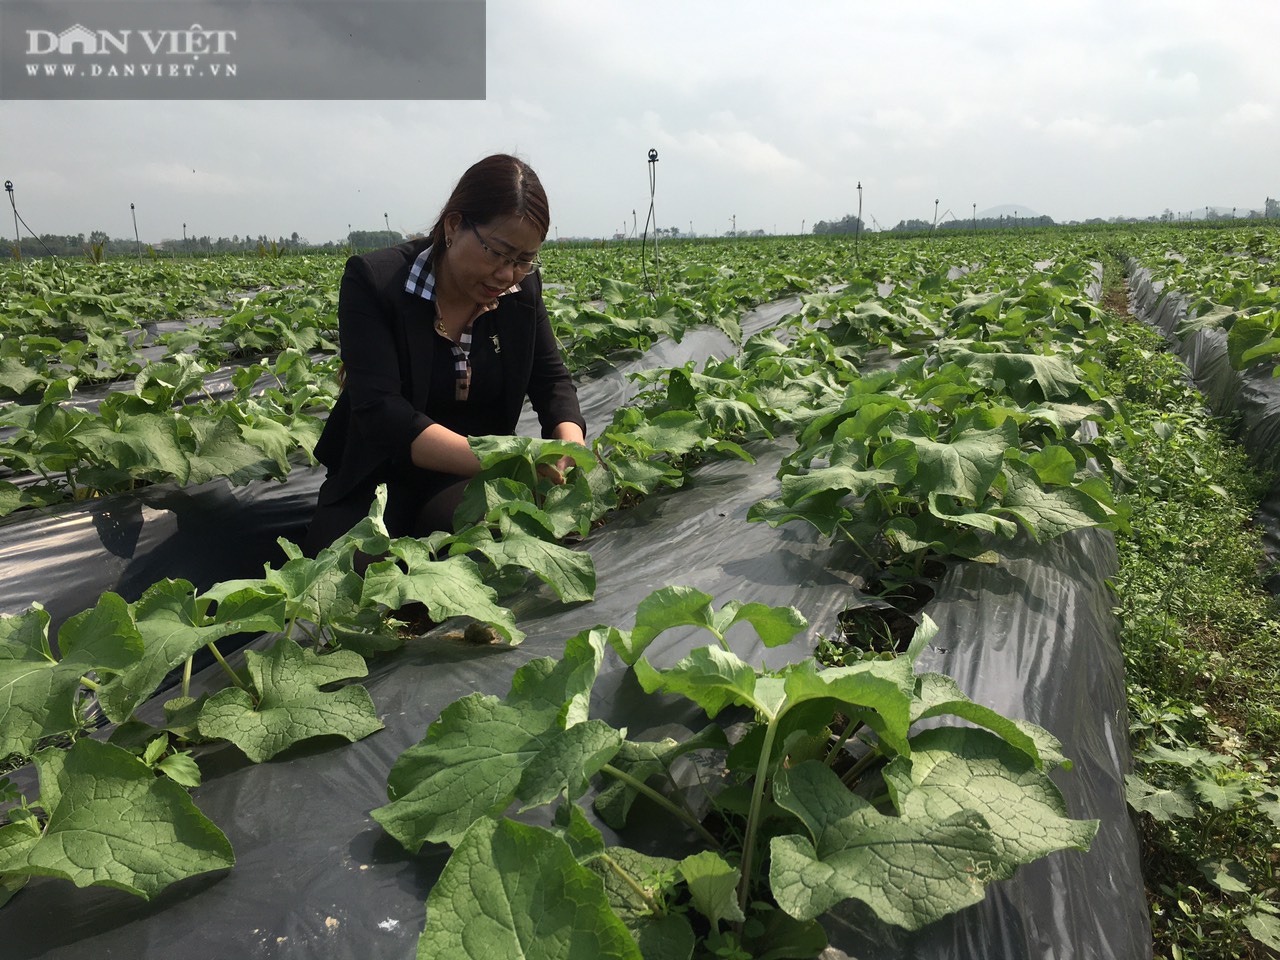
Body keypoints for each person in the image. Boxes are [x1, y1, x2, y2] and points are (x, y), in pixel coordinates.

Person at [303, 154, 586, 557]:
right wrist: (507, 459)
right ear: (454, 225)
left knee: (495, 546)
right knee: (341, 583)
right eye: (497, 253)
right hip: (378, 478)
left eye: (524, 260)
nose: (507, 274)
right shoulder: (375, 281)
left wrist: (567, 449)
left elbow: (551, 381)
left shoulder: (521, 292)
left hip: (467, 480)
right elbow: (382, 412)